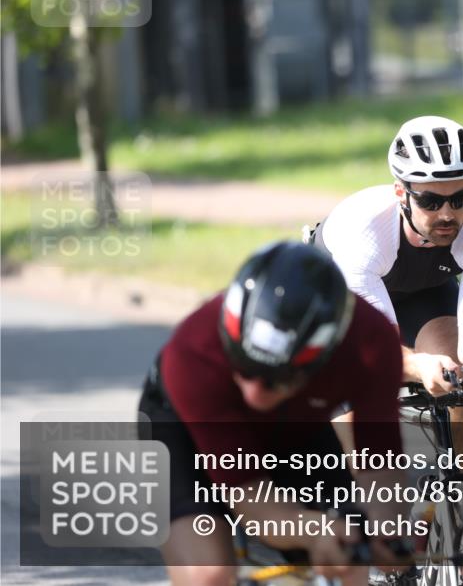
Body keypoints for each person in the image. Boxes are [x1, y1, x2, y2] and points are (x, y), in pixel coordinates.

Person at [138, 242, 408, 586]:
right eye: (243, 369)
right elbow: (250, 497)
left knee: (351, 554)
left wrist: (385, 531)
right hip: (185, 427)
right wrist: (315, 532)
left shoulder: (371, 342)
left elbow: (379, 458)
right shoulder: (193, 352)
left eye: (275, 379)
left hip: (295, 423)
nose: (253, 393)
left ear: (324, 354)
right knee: (208, 575)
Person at [308, 115, 463, 479]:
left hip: (421, 291)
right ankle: (368, 519)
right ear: (402, 193)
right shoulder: (364, 235)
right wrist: (421, 366)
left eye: (459, 198)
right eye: (431, 201)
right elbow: (378, 351)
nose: (447, 214)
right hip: (338, 297)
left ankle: (459, 502)